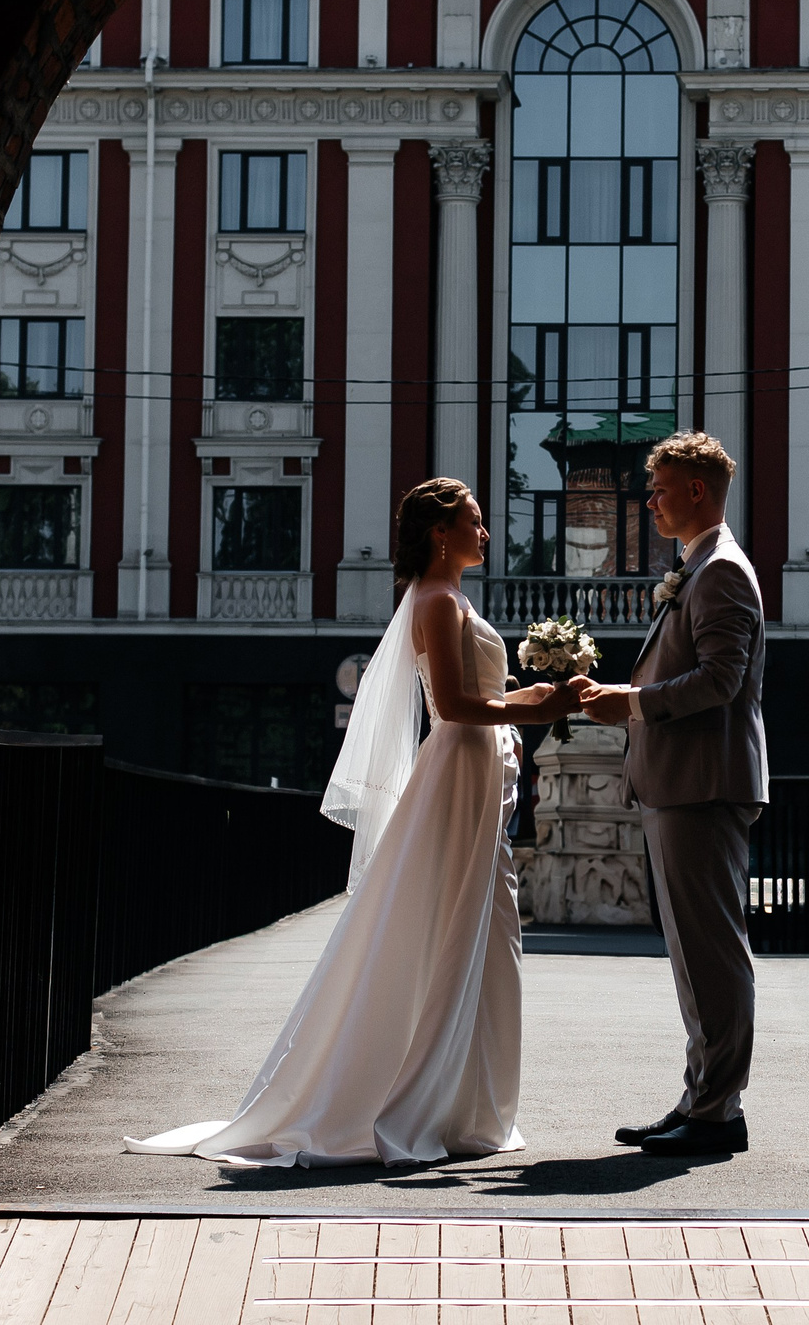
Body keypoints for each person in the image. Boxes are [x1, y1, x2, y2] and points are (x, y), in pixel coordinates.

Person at [122, 478, 580, 1166]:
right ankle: (431, 1105)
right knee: (461, 927)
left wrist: (523, 700)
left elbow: (473, 698)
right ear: (440, 534)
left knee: (486, 930)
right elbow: (454, 707)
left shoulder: (448, 598)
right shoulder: (434, 600)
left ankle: (467, 1106)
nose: (486, 534)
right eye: (475, 522)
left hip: (476, 773)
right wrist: (531, 708)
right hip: (460, 771)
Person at [574, 431, 769, 1156]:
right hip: (681, 785)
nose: (649, 500)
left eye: (659, 488)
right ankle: (702, 1101)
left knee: (712, 953)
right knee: (693, 954)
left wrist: (629, 700)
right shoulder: (699, 567)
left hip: (702, 785)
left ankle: (718, 1113)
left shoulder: (721, 571)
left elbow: (719, 681)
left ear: (696, 490)